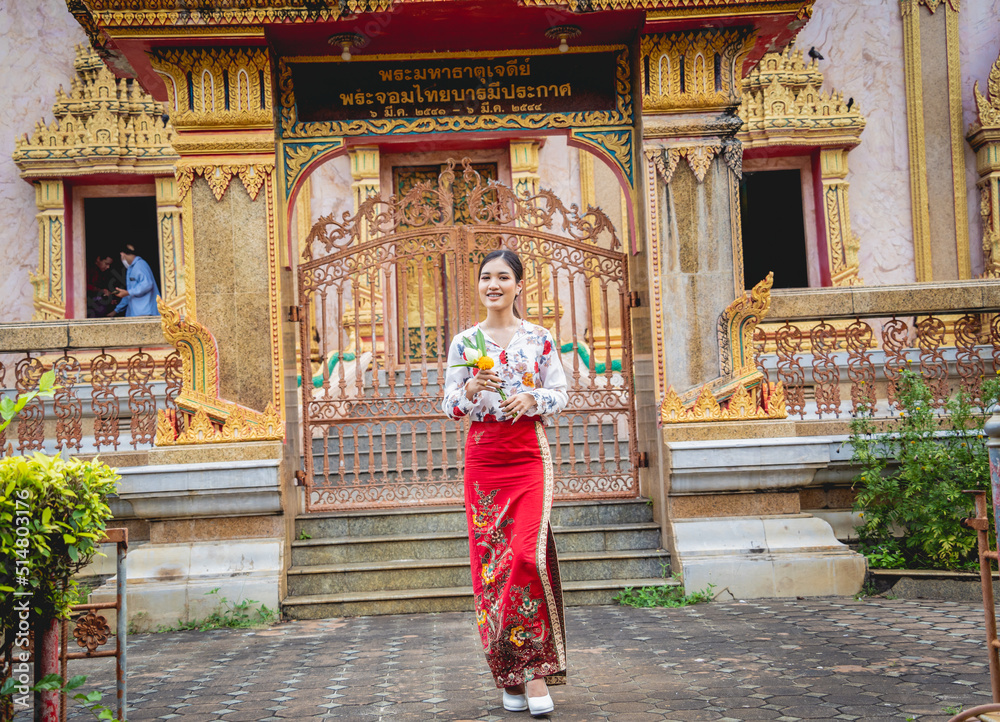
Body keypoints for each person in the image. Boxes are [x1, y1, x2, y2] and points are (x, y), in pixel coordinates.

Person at [441, 249, 569, 717]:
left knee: (524, 557)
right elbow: (449, 404)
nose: (493, 284)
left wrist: (532, 398)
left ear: (518, 285)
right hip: (484, 458)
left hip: (528, 455)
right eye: (485, 277)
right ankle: (508, 673)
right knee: (493, 567)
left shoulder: (539, 338)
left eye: (502, 277)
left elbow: (562, 392)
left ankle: (535, 673)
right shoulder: (464, 342)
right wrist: (468, 391)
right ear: (479, 285)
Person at [112, 243, 161, 317]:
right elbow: (129, 294)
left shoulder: (140, 265)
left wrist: (128, 292)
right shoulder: (131, 268)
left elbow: (147, 284)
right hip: (135, 313)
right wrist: (116, 311)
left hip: (146, 313)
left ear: (122, 254)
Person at [86, 254, 115, 318]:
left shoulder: (104, 272)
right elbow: (84, 286)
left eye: (109, 265)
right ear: (98, 259)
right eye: (106, 264)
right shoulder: (87, 269)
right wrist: (101, 290)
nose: (108, 267)